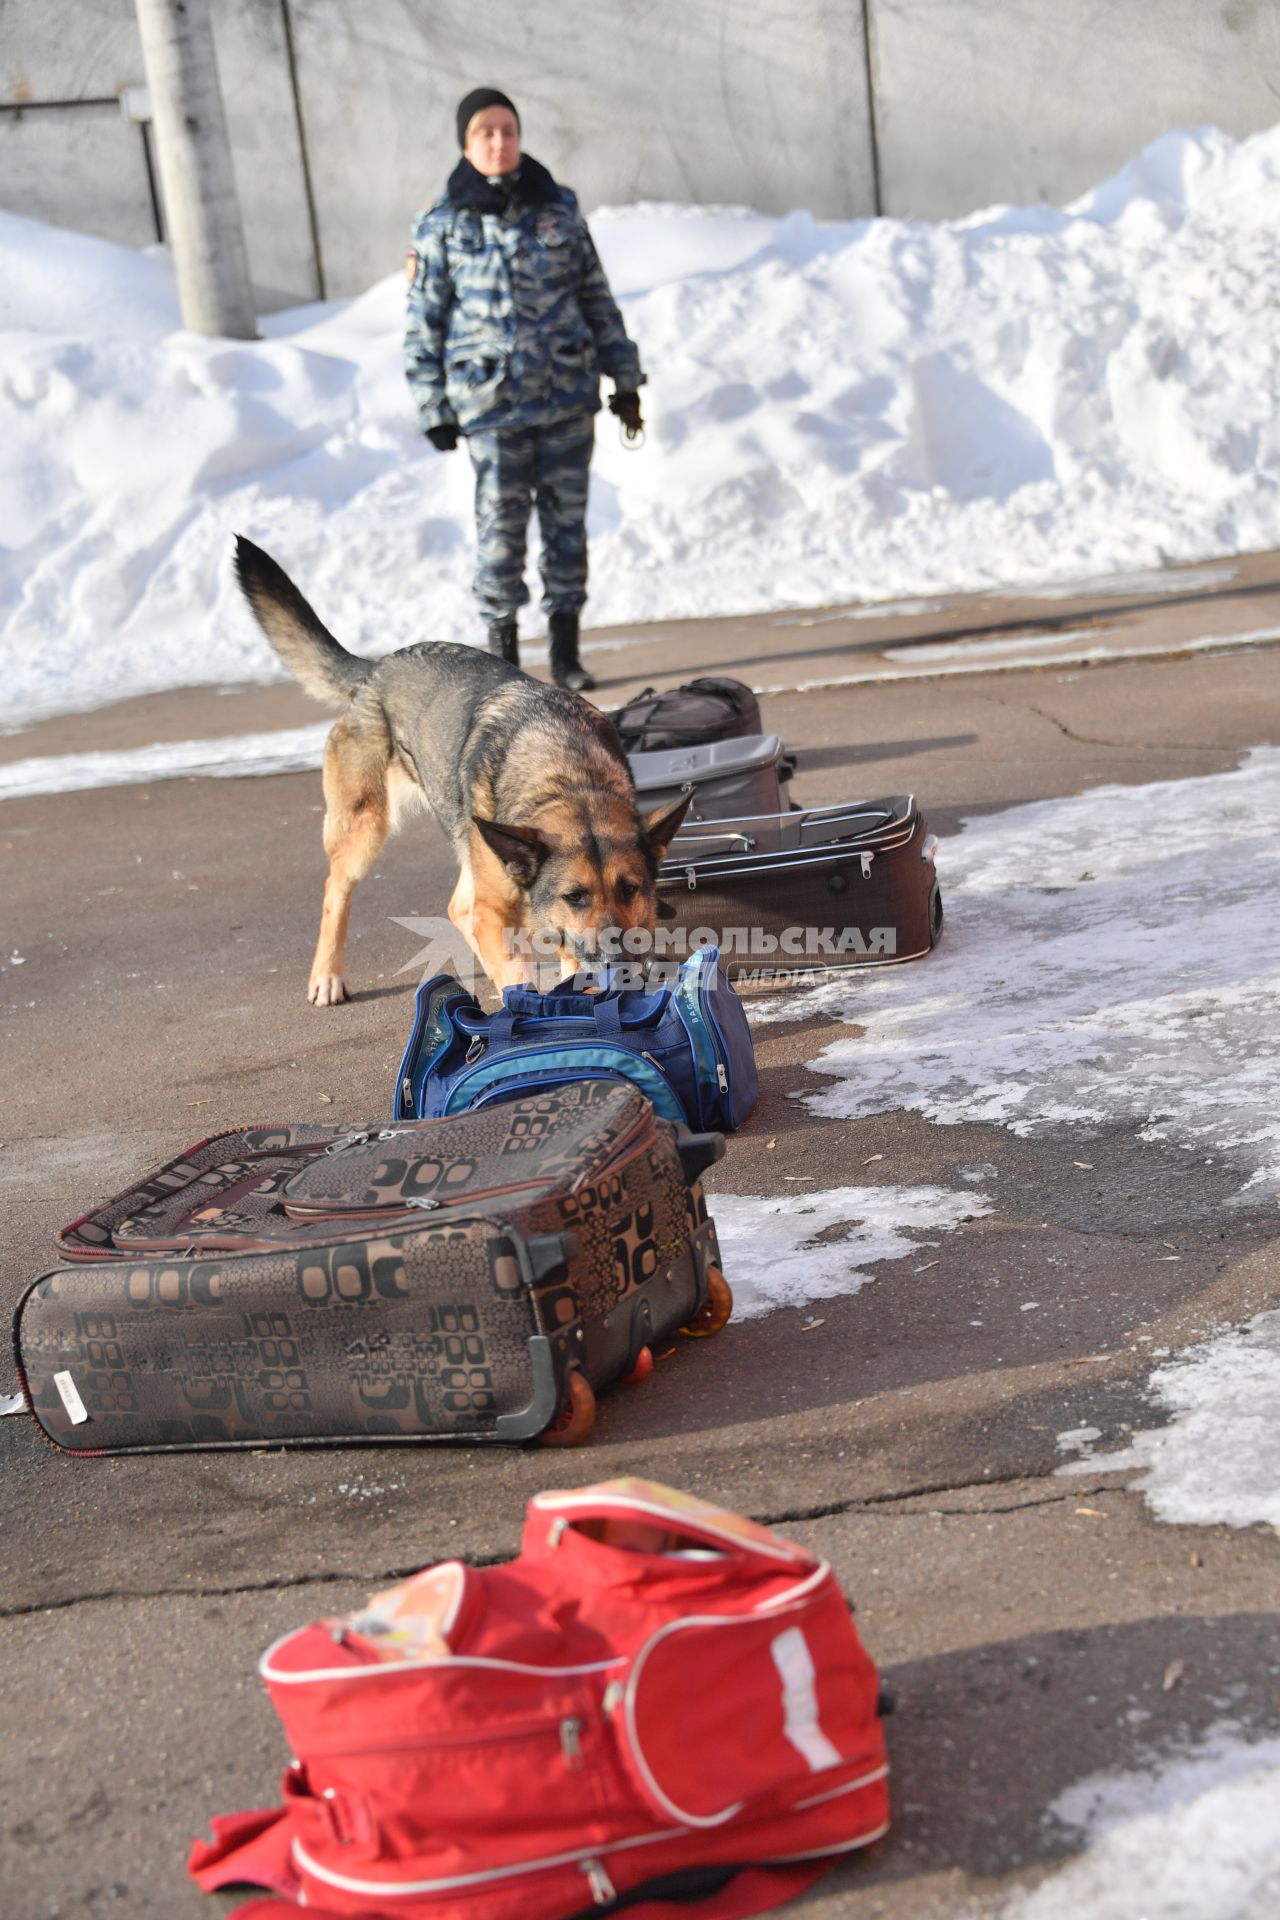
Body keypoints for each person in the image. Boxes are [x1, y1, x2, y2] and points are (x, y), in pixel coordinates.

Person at [404, 87, 645, 691]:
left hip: (566, 395)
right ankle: (505, 661)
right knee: (501, 530)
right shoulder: (443, 225)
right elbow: (424, 321)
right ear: (467, 143)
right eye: (486, 132)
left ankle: (566, 657)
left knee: (567, 527)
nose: (499, 142)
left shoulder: (557, 210)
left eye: (508, 130)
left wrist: (626, 378)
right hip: (492, 408)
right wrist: (432, 403)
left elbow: (596, 298)